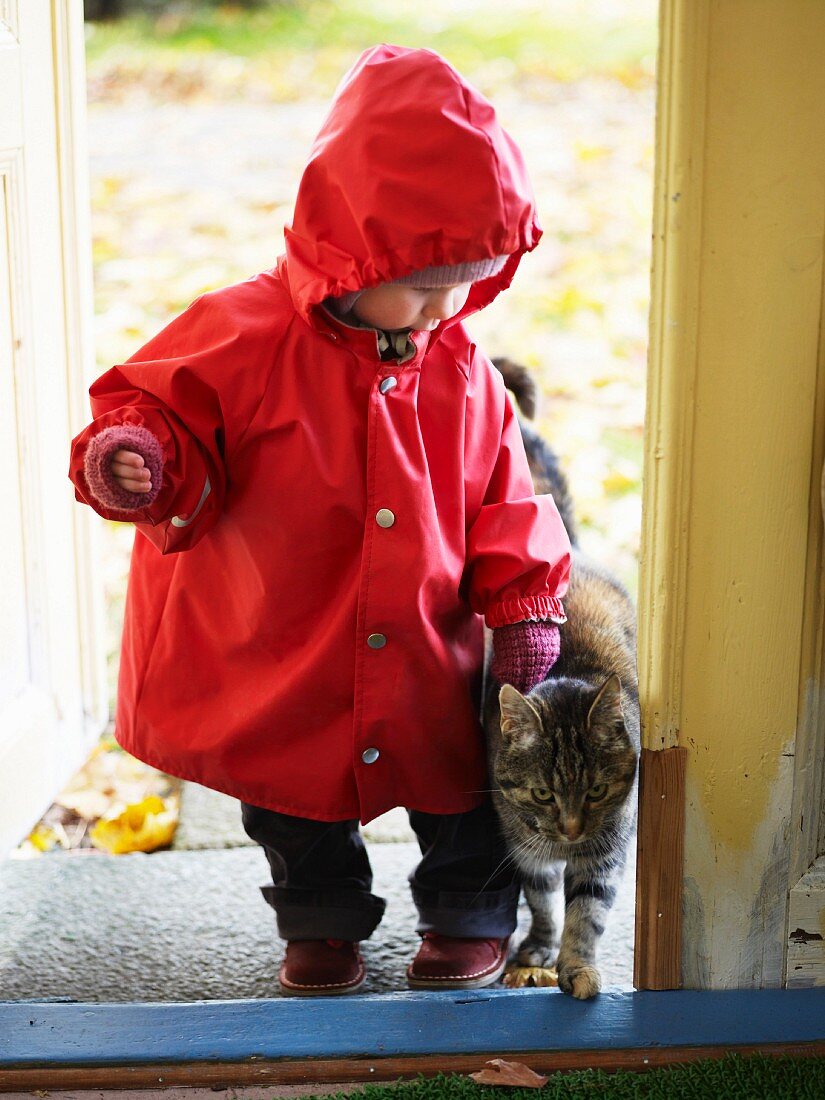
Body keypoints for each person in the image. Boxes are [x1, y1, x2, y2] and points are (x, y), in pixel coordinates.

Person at [69, 44, 572, 996]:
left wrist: (526, 609)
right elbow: (157, 411)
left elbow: (511, 494)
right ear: (354, 249)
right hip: (287, 639)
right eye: (421, 279)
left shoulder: (459, 366)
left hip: (430, 640)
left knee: (466, 786)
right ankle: (321, 919)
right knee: (292, 797)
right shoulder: (241, 335)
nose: (442, 306)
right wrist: (135, 457)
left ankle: (467, 914)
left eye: (464, 280)